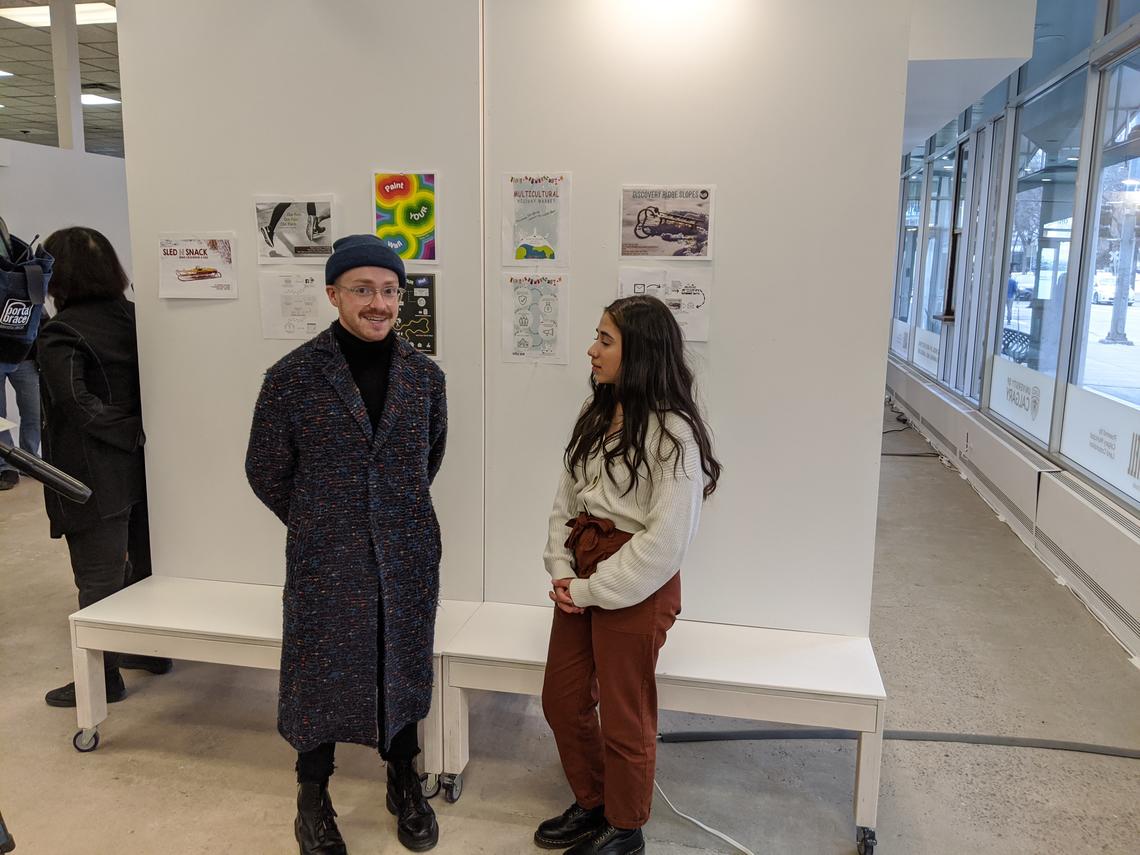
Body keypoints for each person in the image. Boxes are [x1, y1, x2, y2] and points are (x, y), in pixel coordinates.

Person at [246, 235, 447, 855]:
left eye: (389, 290)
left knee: (401, 663)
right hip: (326, 558)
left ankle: (404, 778)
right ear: (333, 294)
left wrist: (388, 516)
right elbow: (265, 468)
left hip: (407, 554)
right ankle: (312, 797)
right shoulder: (292, 377)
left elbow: (428, 458)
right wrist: (321, 520)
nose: (379, 303)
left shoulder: (425, 378)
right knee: (318, 675)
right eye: (363, 290)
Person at [536, 295, 721, 855]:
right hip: (582, 570)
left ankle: (624, 827)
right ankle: (594, 801)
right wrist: (562, 568)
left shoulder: (674, 436)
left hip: (637, 584)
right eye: (596, 337)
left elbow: (665, 545)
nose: (591, 350)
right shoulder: (597, 414)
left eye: (605, 340)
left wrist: (591, 589)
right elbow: (565, 502)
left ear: (639, 352)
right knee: (562, 698)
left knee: (625, 715)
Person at [38, 227, 172, 709]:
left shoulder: (62, 330)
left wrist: (126, 431)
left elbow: (76, 403)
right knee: (145, 566)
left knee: (98, 578)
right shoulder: (136, 317)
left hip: (90, 475)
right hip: (147, 469)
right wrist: (140, 432)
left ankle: (103, 678)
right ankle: (149, 650)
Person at [0, 353, 41, 490]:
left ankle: (28, 460)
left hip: (27, 358)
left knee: (34, 413)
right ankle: (6, 465)